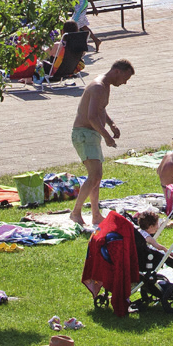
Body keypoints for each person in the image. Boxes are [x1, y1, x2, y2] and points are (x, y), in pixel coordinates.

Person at [70, 60, 133, 226]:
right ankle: (76, 212)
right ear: (117, 71)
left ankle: (95, 214)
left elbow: (100, 109)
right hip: (84, 134)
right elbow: (91, 117)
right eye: (125, 78)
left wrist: (111, 123)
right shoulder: (98, 86)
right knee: (95, 175)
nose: (125, 82)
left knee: (97, 176)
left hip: (91, 134)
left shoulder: (105, 86)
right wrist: (107, 136)